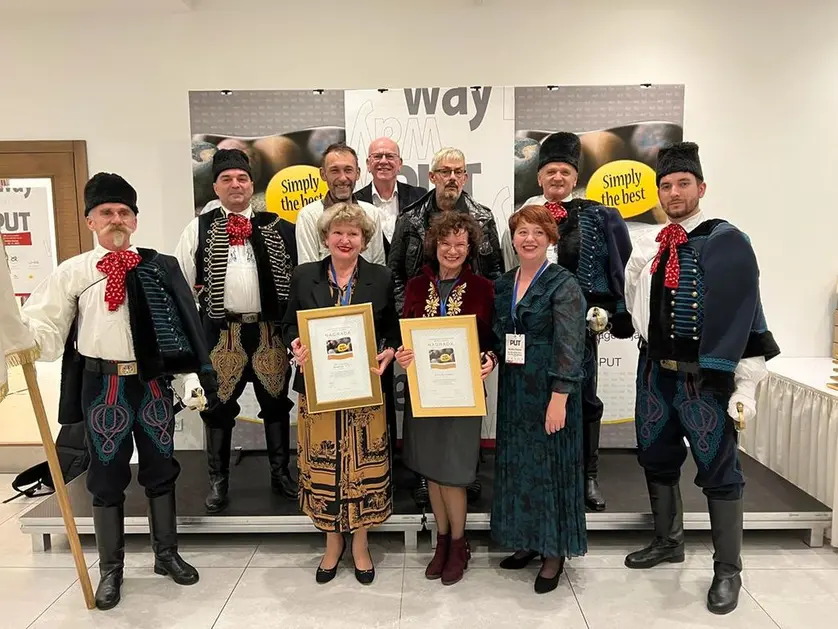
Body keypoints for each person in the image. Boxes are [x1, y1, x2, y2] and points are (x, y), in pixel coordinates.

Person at [21, 173, 218, 610]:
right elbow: (46, 325)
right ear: (90, 220)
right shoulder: (73, 272)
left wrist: (189, 377)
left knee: (161, 468)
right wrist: (24, 340)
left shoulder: (161, 266)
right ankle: (111, 569)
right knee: (106, 476)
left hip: (151, 384)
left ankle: (166, 555)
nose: (116, 219)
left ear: (135, 220)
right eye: (107, 212)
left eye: (124, 212)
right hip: (102, 386)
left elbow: (183, 327)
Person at [623, 142, 780, 615]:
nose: (674, 193)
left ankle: (728, 570)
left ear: (701, 188)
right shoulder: (651, 245)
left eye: (683, 184)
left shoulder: (727, 240)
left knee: (719, 470)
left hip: (704, 380)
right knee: (656, 456)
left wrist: (746, 385)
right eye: (666, 185)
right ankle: (668, 541)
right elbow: (636, 309)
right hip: (655, 373)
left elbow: (746, 318)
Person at [282, 202, 400, 585]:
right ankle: (332, 543)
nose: (345, 240)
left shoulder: (381, 277)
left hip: (366, 388)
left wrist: (389, 350)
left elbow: (393, 329)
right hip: (319, 389)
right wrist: (295, 346)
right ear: (325, 238)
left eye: (353, 233)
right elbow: (288, 326)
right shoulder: (304, 276)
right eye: (338, 232)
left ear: (364, 239)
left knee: (364, 466)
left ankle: (361, 543)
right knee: (325, 467)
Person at [174, 148, 298, 513]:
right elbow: (180, 283)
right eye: (227, 179)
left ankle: (281, 474)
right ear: (215, 187)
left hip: (268, 332)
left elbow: (300, 277)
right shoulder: (198, 228)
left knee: (275, 404)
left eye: (242, 178)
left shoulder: (278, 226)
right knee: (218, 407)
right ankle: (218, 480)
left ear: (251, 184)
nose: (235, 185)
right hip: (221, 333)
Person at [520, 132, 634, 512]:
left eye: (565, 172)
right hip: (536, 330)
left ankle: (588, 475)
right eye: (551, 171)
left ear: (575, 178)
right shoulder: (524, 219)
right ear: (539, 176)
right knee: (538, 399)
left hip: (580, 330)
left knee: (584, 398)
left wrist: (611, 311)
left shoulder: (599, 216)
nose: (557, 178)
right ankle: (543, 474)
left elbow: (618, 267)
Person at [389, 146, 505, 506]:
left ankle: (464, 471)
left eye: (458, 171)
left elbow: (496, 274)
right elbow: (395, 273)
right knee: (425, 409)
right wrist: (410, 324)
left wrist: (488, 338)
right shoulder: (409, 218)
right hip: (422, 318)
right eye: (444, 171)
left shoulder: (483, 217)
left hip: (469, 329)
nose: (452, 177)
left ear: (465, 177)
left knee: (462, 408)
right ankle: (426, 476)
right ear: (432, 176)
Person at [394, 212, 497, 586]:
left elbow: (494, 339)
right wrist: (403, 355)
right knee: (432, 472)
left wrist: (491, 358)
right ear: (434, 245)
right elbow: (406, 334)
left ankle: (458, 542)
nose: (452, 250)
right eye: (445, 243)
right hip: (424, 392)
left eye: (460, 244)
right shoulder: (416, 286)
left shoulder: (484, 288)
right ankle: (441, 542)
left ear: (470, 248)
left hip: (463, 393)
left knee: (453, 473)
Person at [490, 204, 587, 595]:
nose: (529, 239)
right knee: (520, 465)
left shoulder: (563, 284)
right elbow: (500, 335)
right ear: (513, 239)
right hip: (515, 388)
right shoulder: (504, 283)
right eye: (522, 232)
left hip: (550, 388)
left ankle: (554, 551)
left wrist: (559, 397)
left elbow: (571, 344)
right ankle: (529, 539)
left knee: (551, 468)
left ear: (550, 239)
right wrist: (490, 356)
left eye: (538, 233)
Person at [296, 142, 386, 265]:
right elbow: (307, 269)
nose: (343, 178)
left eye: (348, 170)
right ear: (323, 174)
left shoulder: (372, 213)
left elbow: (378, 265)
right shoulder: (308, 216)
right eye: (335, 171)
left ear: (358, 173)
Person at [354, 137, 427, 256]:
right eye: (377, 156)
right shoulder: (355, 202)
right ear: (368, 164)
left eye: (390, 156)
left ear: (400, 164)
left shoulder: (419, 196)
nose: (383, 161)